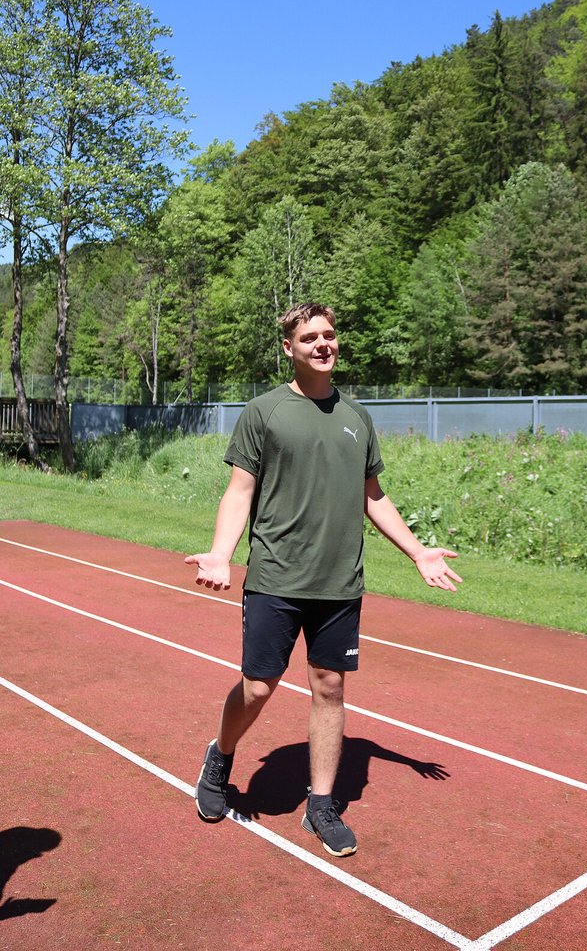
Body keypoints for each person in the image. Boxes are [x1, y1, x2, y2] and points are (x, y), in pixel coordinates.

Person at [185, 303, 461, 858]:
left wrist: (417, 552)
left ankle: (321, 804)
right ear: (288, 347)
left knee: (330, 686)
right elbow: (240, 491)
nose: (322, 344)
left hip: (339, 582)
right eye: (309, 337)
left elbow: (372, 496)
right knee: (259, 687)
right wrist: (220, 553)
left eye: (329, 335)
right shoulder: (264, 412)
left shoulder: (356, 416)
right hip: (276, 576)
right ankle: (220, 756)